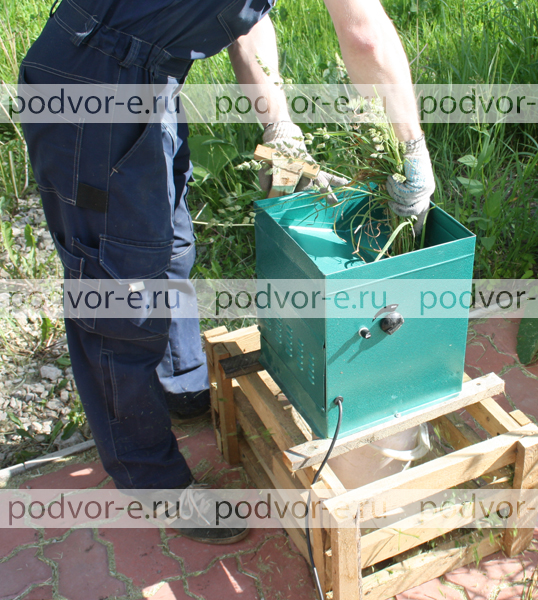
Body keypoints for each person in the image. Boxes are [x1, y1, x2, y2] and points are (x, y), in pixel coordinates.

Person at [19, 0, 435, 544]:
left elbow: (246, 21)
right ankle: (150, 480)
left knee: (169, 246)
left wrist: (278, 127)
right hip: (90, 86)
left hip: (147, 74)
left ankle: (182, 385)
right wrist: (414, 150)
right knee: (119, 290)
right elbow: (366, 37)